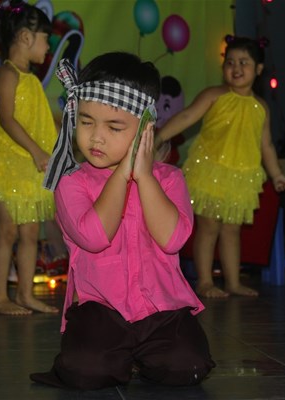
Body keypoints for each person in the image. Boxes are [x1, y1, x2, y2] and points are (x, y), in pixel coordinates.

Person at [32, 52, 215, 390]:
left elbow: (173, 239)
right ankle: (118, 357)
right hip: (100, 307)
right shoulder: (71, 181)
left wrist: (143, 176)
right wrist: (122, 175)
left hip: (162, 307)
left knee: (187, 365)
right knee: (86, 370)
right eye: (86, 121)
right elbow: (94, 236)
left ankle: (138, 357)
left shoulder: (169, 179)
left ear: (145, 129)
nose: (96, 137)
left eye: (114, 127)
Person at [155, 36, 285, 299]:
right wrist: (160, 137)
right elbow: (186, 116)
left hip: (240, 178)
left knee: (232, 230)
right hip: (210, 172)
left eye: (244, 62)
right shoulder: (214, 95)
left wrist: (276, 175)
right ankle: (205, 281)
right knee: (209, 227)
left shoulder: (261, 107)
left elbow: (266, 145)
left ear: (258, 69)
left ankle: (233, 282)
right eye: (230, 62)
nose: (236, 68)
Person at [0, 0, 59, 315]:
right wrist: (36, 151)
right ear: (26, 37)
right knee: (7, 231)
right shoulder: (7, 73)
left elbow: (38, 122)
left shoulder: (33, 81)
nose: (48, 47)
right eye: (46, 39)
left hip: (28, 168)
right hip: (5, 164)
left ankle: (26, 294)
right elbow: (6, 119)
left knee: (31, 233)